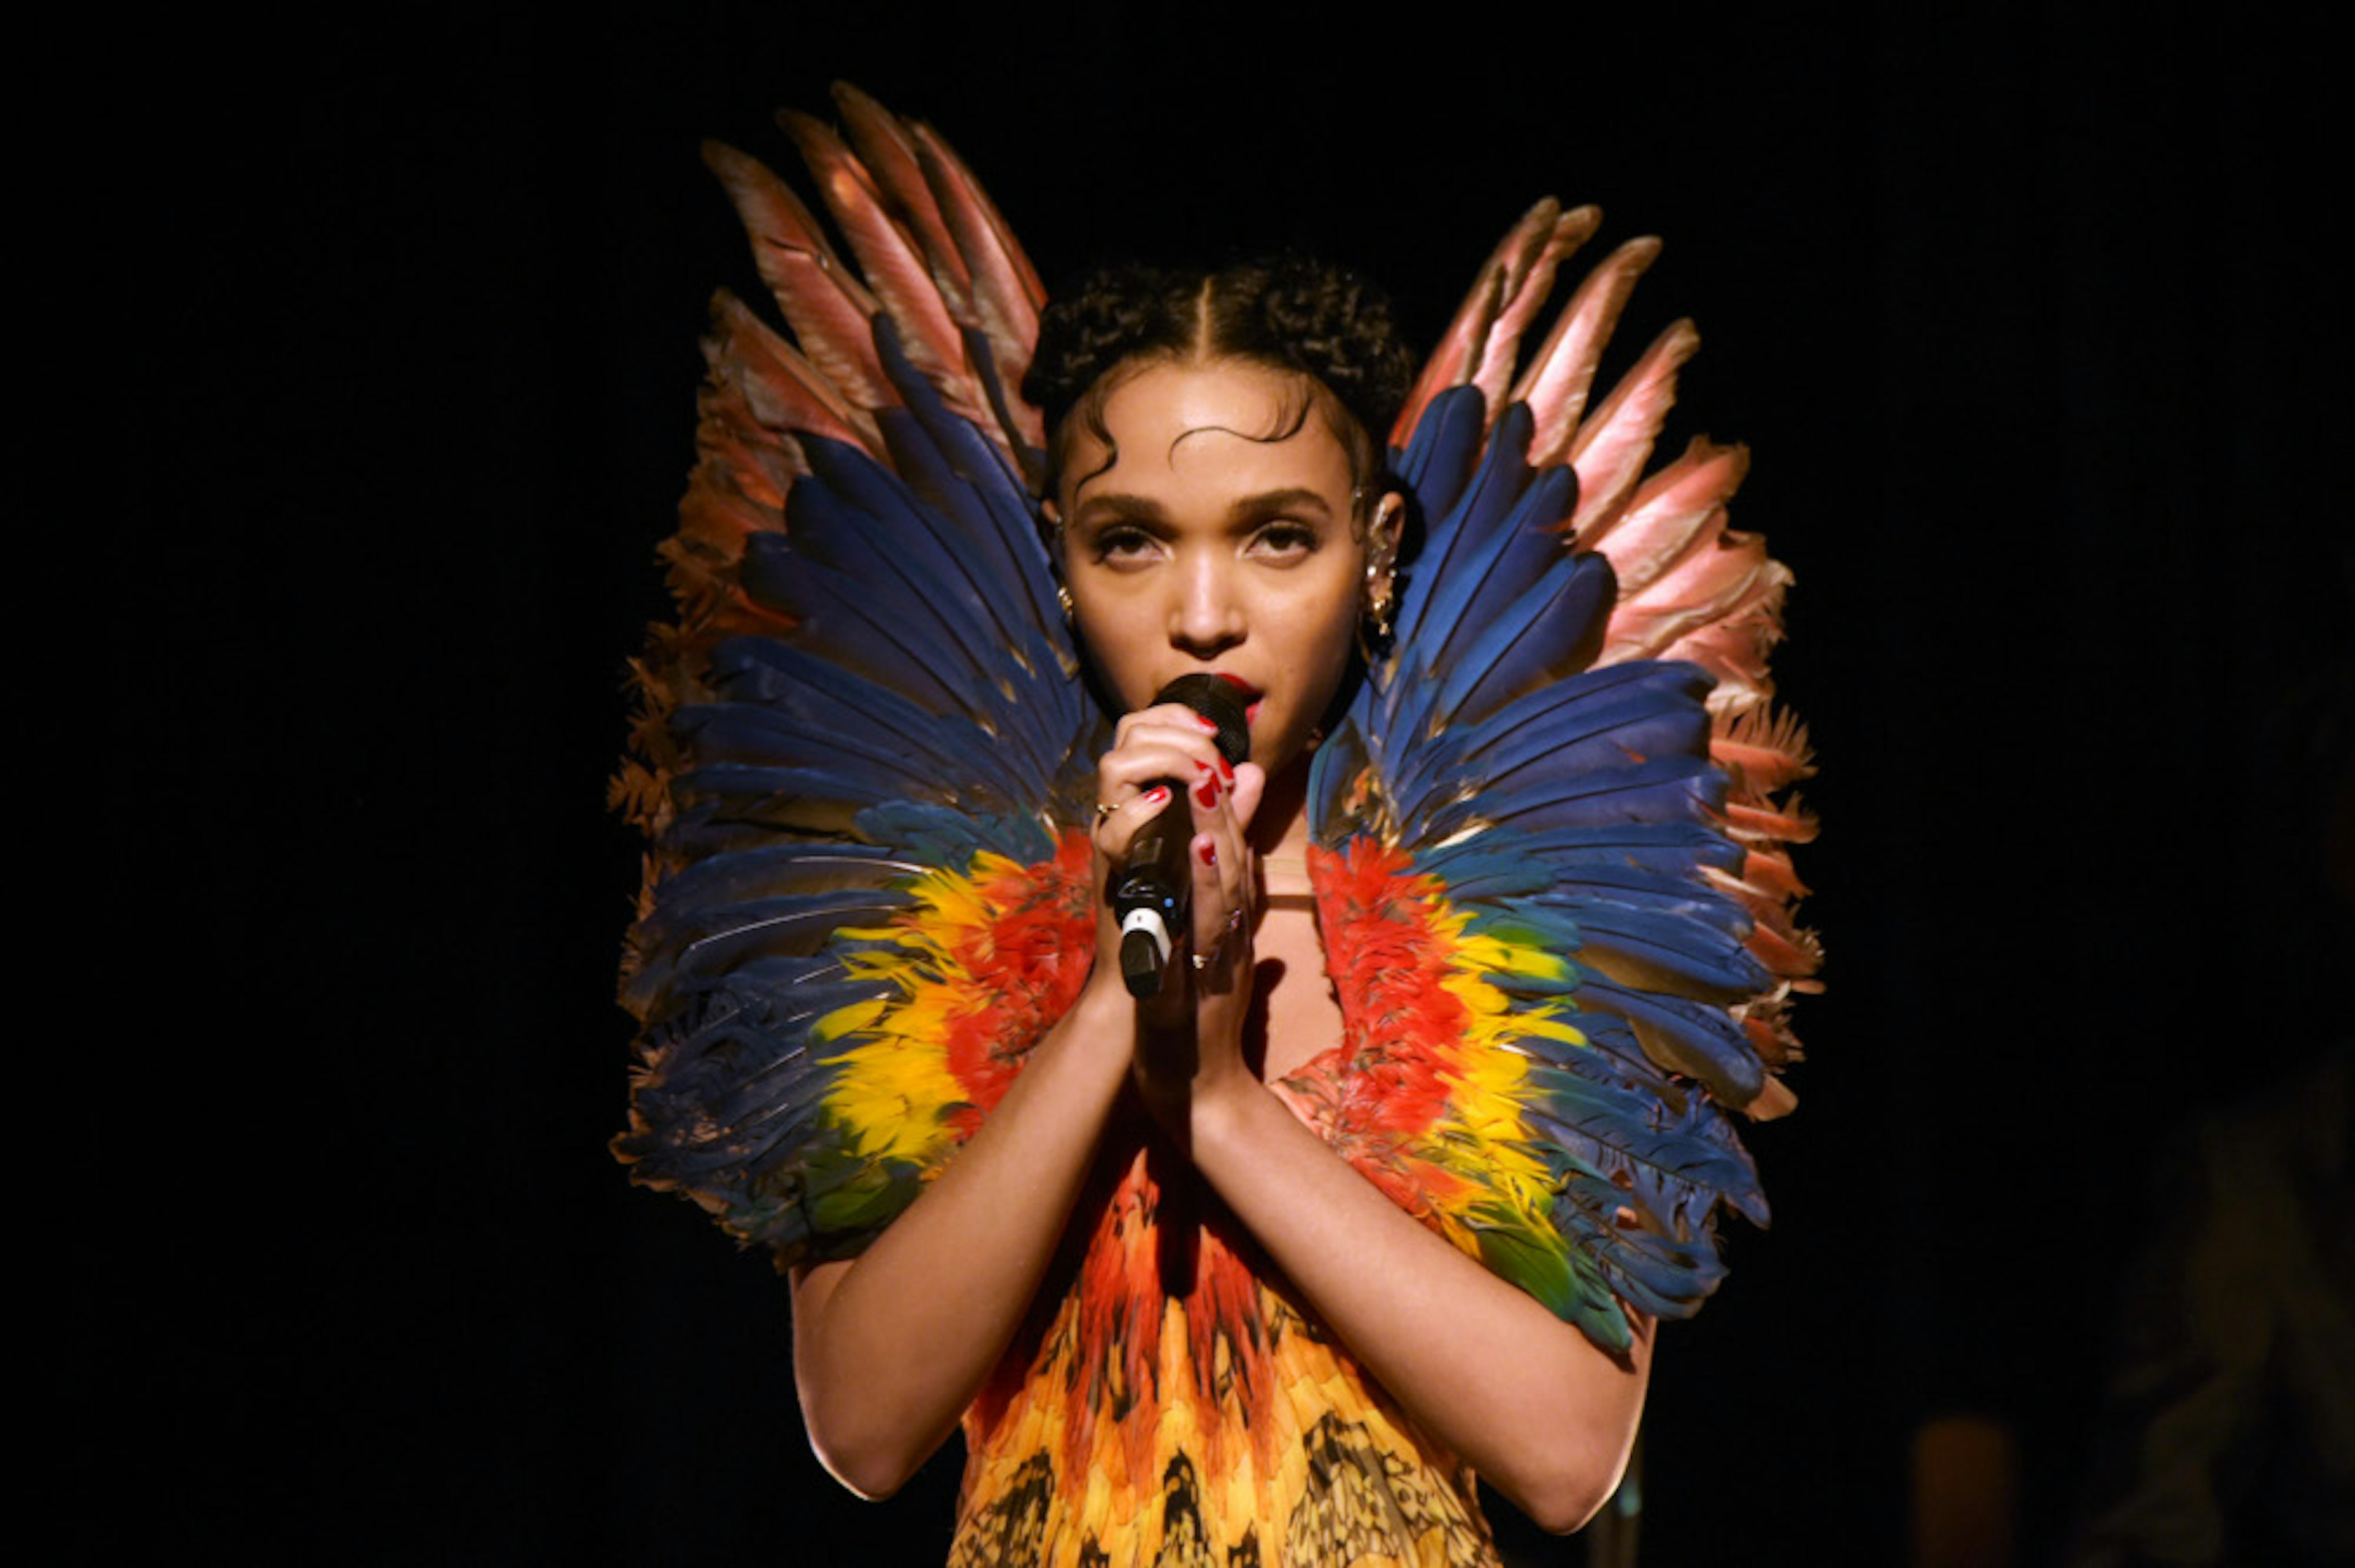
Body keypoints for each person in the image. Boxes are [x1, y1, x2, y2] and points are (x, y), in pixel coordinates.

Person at [615, 88, 1813, 1568]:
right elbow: (864, 1427)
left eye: (1276, 535)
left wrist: (1225, 1104)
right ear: (1057, 559)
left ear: (1376, 552)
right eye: (1131, 540)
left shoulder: (1475, 930)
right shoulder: (969, 925)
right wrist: (1118, 1012)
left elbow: (1571, 1456)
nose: (1202, 614)